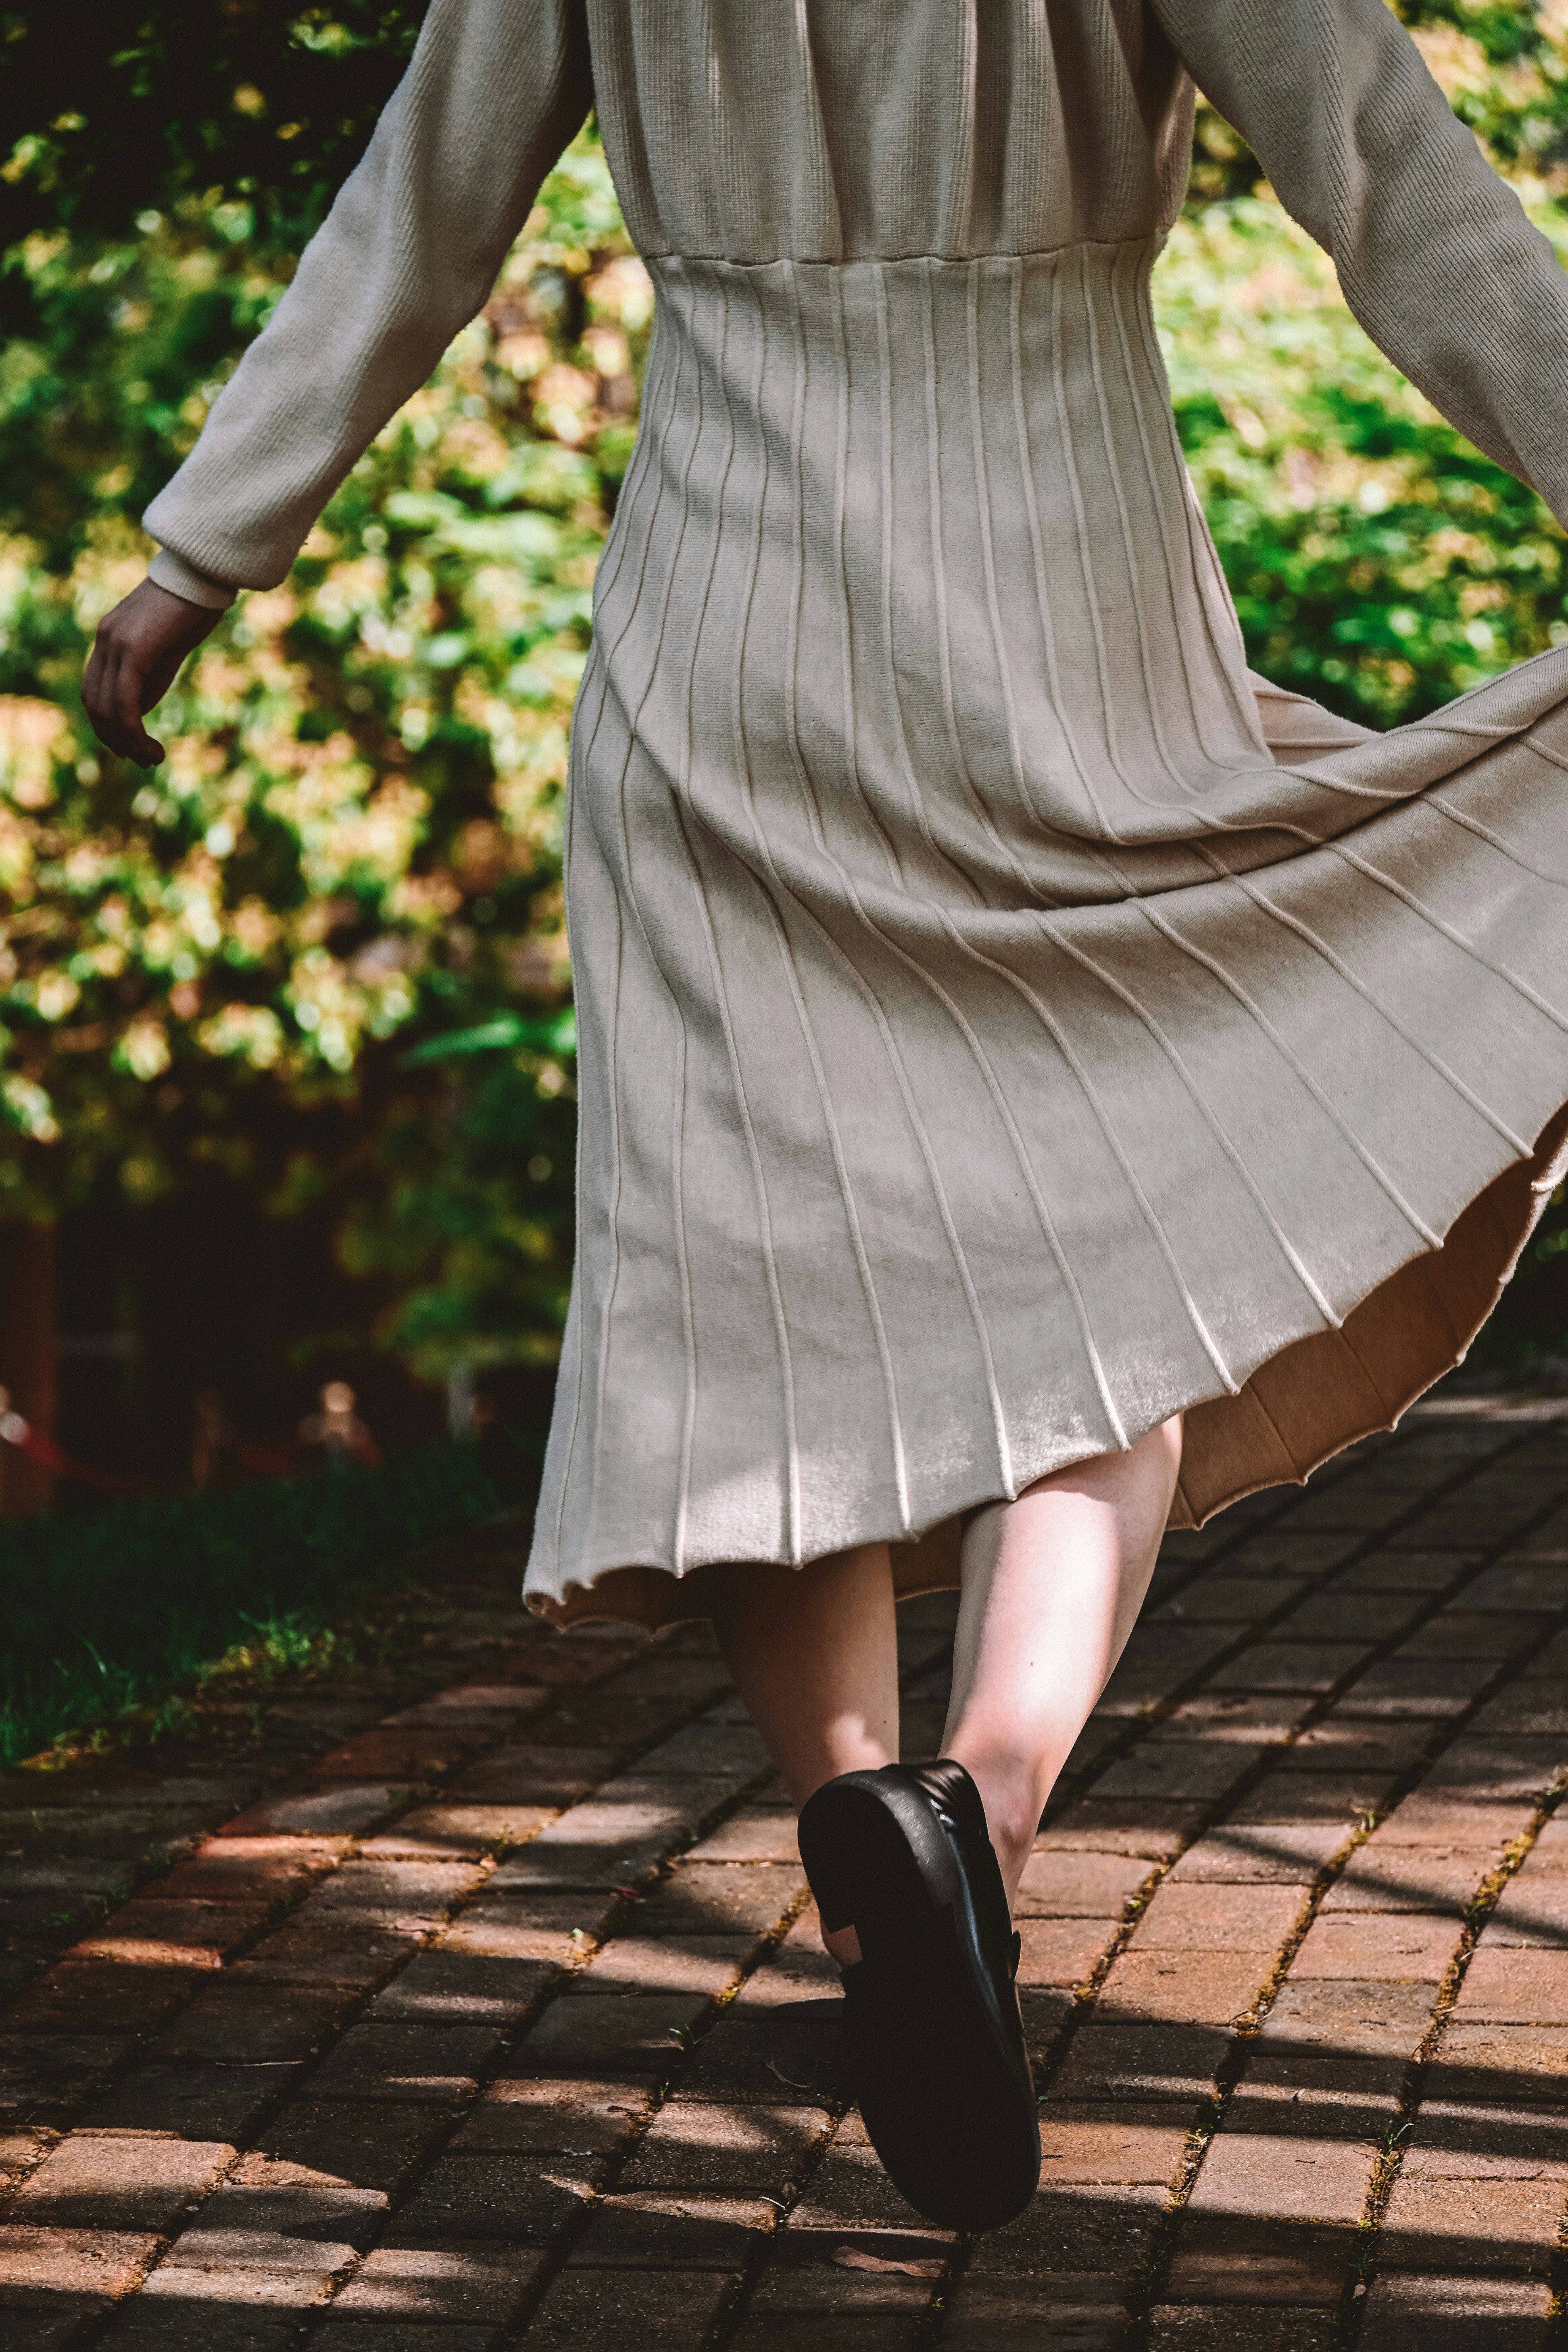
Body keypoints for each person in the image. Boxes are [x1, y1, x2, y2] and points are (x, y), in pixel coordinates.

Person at [84, 0, 1568, 2230]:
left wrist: (205, 547)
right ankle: (979, 1814)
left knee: (758, 1301)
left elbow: (423, 205)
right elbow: (1389, 182)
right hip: (1064, 619)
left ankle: (869, 1861)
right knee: (1120, 1259)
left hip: (726, 639)